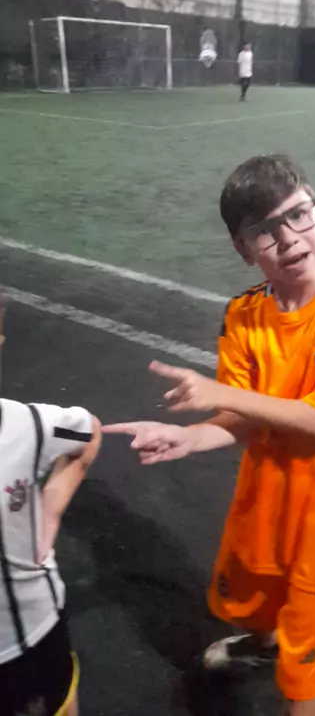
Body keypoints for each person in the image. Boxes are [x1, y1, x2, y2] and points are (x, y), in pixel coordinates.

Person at [104, 155, 315, 716]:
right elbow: (241, 418)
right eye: (264, 230)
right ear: (243, 249)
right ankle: (262, 644)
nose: (288, 238)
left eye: (298, 215)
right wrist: (190, 436)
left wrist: (222, 395)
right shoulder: (242, 314)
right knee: (258, 607)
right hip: (262, 509)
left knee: (302, 682)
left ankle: (287, 665)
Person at [0, 302, 101, 716]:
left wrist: (52, 508)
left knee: (56, 701)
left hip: (27, 634)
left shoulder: (28, 425)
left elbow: (88, 430)